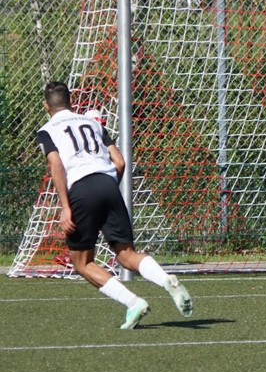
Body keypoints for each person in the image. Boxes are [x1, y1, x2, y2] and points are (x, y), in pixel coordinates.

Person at [37, 81, 193, 329]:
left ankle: (133, 303)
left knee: (82, 263)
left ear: (47, 106)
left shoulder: (46, 131)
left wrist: (66, 207)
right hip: (109, 185)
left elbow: (56, 164)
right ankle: (165, 279)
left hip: (81, 190)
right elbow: (119, 162)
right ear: (71, 102)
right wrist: (107, 189)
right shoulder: (92, 123)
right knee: (126, 254)